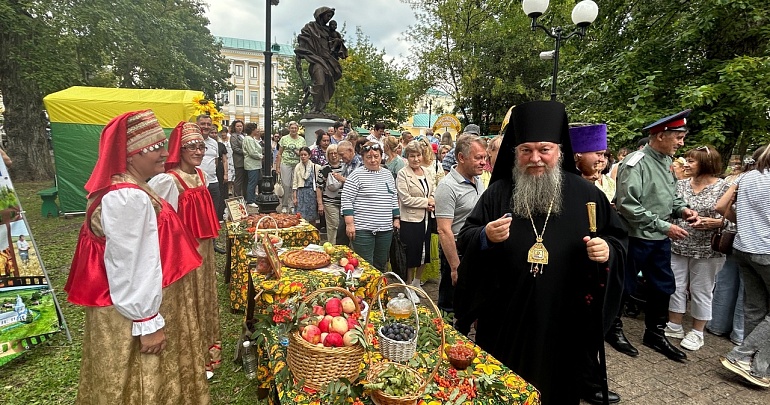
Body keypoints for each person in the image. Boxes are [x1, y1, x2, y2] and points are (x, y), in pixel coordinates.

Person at [454, 101, 627, 405]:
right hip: (505, 319)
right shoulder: (498, 192)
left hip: (564, 320)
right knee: (502, 390)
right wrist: (485, 236)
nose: (535, 158)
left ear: (559, 151)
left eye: (544, 149)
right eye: (526, 150)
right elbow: (467, 236)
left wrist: (608, 250)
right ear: (516, 153)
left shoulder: (587, 195)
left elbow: (617, 239)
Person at [66, 110, 209, 403]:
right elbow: (130, 264)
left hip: (137, 307)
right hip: (131, 317)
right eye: (155, 148)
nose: (164, 153)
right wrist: (147, 321)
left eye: (162, 145)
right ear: (131, 155)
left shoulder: (131, 188)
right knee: (141, 378)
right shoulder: (127, 198)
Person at [614, 109, 701, 362]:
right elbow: (627, 205)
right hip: (636, 237)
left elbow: (670, 196)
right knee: (624, 285)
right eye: (678, 137)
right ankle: (612, 328)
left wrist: (683, 210)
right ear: (661, 135)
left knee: (663, 286)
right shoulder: (635, 162)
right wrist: (664, 226)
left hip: (659, 238)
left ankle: (655, 333)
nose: (681, 143)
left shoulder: (665, 161)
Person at [148, 121, 223, 377]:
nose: (199, 152)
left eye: (201, 146)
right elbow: (162, 221)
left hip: (205, 247)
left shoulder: (201, 175)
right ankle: (191, 353)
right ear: (179, 150)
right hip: (185, 250)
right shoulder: (169, 180)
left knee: (205, 294)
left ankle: (207, 348)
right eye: (192, 147)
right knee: (189, 297)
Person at [568, 123, 623, 405]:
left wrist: (608, 249)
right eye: (597, 154)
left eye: (604, 155)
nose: (602, 160)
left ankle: (588, 382)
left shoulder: (599, 188)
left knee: (588, 332)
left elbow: (616, 235)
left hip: (589, 276)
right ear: (577, 155)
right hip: (563, 276)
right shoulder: (563, 186)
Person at [663, 145, 729, 351]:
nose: (686, 164)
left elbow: (736, 218)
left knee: (701, 289)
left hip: (707, 249)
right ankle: (674, 324)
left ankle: (697, 332)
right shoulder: (680, 185)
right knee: (675, 285)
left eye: (691, 161)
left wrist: (718, 223)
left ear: (706, 164)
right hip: (678, 244)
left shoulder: (723, 187)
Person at [716, 144, 770, 388]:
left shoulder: (747, 177)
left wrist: (750, 226)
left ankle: (756, 367)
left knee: (755, 308)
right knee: (756, 308)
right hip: (766, 250)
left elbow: (724, 208)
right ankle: (741, 356)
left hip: (743, 247)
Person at [708, 151, 763, 345]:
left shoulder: (741, 178)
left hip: (735, 239)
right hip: (761, 244)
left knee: (725, 283)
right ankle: (739, 334)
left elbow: (720, 206)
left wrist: (741, 222)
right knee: (748, 293)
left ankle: (717, 324)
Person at [434, 134, 487, 312]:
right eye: (478, 158)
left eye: (485, 157)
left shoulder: (477, 180)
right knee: (450, 304)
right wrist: (455, 267)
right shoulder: (447, 187)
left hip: (475, 249)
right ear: (461, 158)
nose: (483, 162)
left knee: (471, 303)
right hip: (457, 251)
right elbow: (444, 230)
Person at [341, 142, 399, 271]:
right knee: (365, 264)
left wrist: (396, 218)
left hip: (385, 229)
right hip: (363, 229)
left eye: (376, 156)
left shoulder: (388, 174)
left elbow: (393, 197)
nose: (373, 160)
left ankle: (379, 284)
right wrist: (349, 224)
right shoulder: (356, 175)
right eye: (368, 157)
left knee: (381, 263)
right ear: (363, 158)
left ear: (381, 156)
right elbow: (346, 199)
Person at [396, 140, 436, 289]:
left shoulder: (427, 171)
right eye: (412, 156)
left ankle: (417, 282)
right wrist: (426, 202)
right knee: (412, 253)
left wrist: (432, 201)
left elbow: (433, 190)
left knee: (424, 252)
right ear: (407, 157)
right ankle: (408, 284)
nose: (416, 159)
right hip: (411, 219)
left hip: (427, 218)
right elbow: (405, 199)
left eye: (418, 155)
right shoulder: (403, 174)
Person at [569, 124, 616, 202]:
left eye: (603, 154)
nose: (602, 160)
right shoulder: (564, 180)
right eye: (599, 154)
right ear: (579, 155)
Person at [197, 114, 228, 224]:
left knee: (213, 212)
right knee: (199, 214)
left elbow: (215, 161)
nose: (206, 126)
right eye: (202, 124)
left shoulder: (214, 143)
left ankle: (212, 233)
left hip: (213, 182)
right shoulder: (192, 141)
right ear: (197, 124)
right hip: (197, 183)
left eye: (208, 124)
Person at [333, 141, 362, 245]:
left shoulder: (361, 163)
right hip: (346, 205)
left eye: (342, 154)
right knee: (341, 238)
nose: (341, 158)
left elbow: (359, 184)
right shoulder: (345, 164)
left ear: (350, 150)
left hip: (357, 208)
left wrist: (343, 179)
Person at [276, 121, 307, 213]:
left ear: (298, 129)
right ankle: (284, 205)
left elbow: (304, 152)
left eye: (295, 128)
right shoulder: (284, 139)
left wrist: (299, 153)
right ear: (289, 129)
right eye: (292, 128)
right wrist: (277, 167)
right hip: (286, 163)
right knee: (286, 184)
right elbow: (279, 153)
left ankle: (293, 204)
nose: (294, 130)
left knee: (295, 185)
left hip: (297, 164)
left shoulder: (302, 139)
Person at [317, 144, 343, 244]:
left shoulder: (345, 167)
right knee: (333, 225)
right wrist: (320, 204)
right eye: (330, 153)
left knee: (343, 226)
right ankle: (332, 246)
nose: (333, 155)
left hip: (344, 202)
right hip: (330, 202)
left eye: (335, 153)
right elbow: (319, 187)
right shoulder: (324, 169)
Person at [292, 147, 321, 223]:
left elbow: (319, 183)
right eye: (301, 155)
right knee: (300, 216)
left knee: (312, 217)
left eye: (305, 155)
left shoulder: (316, 167)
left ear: (309, 155)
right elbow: (295, 183)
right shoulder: (297, 167)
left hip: (312, 194)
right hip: (301, 193)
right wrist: (295, 197)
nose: (303, 157)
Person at [242, 123, 263, 207]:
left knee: (254, 182)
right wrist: (261, 156)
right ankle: (250, 200)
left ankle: (252, 198)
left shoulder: (251, 138)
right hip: (252, 164)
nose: (257, 130)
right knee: (252, 182)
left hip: (255, 164)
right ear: (252, 130)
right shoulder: (249, 139)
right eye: (256, 129)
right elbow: (252, 152)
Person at [229, 120, 246, 197]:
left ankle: (244, 195)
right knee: (239, 179)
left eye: (241, 126)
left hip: (246, 161)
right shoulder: (234, 136)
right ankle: (237, 196)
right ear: (234, 127)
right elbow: (235, 148)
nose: (239, 128)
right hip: (239, 161)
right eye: (238, 126)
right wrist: (246, 152)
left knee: (245, 180)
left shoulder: (244, 135)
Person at [218, 128, 234, 197]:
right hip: (224, 158)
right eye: (222, 132)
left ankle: (230, 188)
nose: (223, 134)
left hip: (231, 158)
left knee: (232, 174)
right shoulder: (219, 140)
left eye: (224, 132)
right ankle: (227, 189)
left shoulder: (230, 139)